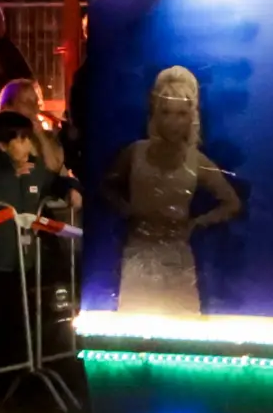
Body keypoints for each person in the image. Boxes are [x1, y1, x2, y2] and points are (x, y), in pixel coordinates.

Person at [104, 66, 242, 316]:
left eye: (181, 114)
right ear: (155, 113)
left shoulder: (196, 161)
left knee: (181, 329)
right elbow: (107, 187)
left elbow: (231, 203)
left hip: (177, 258)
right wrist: (127, 210)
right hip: (139, 253)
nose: (173, 122)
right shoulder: (135, 153)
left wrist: (197, 223)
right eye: (166, 112)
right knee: (134, 327)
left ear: (191, 117)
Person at [0, 109, 78, 371]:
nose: (28, 145)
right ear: (3, 145)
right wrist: (11, 174)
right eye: (22, 139)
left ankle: (22, 369)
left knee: (24, 318)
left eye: (29, 138)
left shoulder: (33, 167)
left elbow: (52, 182)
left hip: (27, 260)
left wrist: (70, 188)